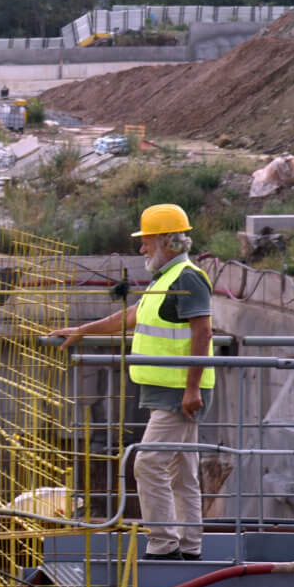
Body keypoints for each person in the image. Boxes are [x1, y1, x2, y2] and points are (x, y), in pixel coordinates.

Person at [49, 203, 214, 561]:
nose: (141, 249)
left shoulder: (187, 278)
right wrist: (83, 330)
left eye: (147, 242)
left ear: (168, 242)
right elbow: (131, 315)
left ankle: (163, 545)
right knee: (181, 470)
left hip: (177, 393)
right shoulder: (166, 278)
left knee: (147, 463)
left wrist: (191, 389)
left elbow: (203, 332)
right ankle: (189, 546)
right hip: (167, 391)